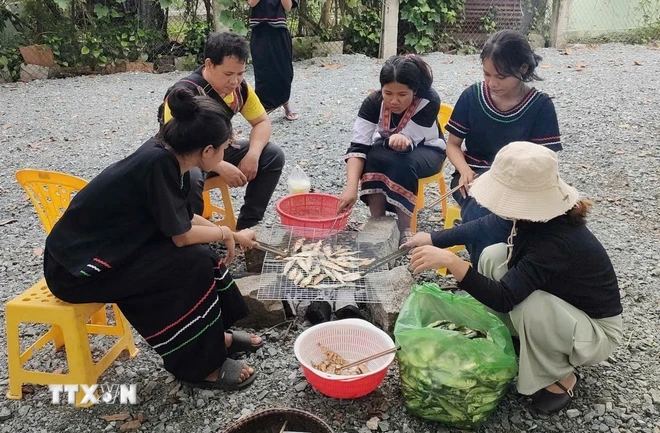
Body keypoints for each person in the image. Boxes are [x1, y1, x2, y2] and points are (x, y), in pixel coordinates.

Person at [45, 88, 265, 390]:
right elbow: (182, 235)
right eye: (225, 147)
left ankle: (214, 339)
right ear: (206, 151)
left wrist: (234, 234)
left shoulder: (172, 155)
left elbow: (183, 217)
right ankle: (201, 367)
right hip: (77, 270)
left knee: (198, 258)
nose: (227, 154)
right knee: (193, 264)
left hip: (112, 247)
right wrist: (226, 232)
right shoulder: (158, 164)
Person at [405, 141, 623, 414]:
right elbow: (487, 225)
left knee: (532, 307)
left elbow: (505, 297)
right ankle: (512, 336)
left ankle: (561, 376)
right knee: (494, 255)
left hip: (594, 331)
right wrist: (434, 238)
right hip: (563, 305)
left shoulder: (556, 240)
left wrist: (453, 263)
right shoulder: (536, 215)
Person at [444, 30, 562, 261]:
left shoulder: (540, 106)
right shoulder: (472, 96)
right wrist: (465, 171)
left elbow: (545, 161)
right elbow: (453, 146)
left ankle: (511, 276)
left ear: (523, 69)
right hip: (473, 176)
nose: (492, 83)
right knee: (480, 212)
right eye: (487, 74)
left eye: (501, 76)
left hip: (521, 182)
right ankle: (486, 277)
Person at [158, 31, 285, 230]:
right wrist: (219, 165)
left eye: (240, 73)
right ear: (209, 64)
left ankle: (248, 226)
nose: (235, 81)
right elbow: (178, 146)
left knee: (272, 155)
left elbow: (262, 122)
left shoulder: (240, 89)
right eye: (228, 74)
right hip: (182, 158)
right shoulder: (184, 93)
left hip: (215, 151)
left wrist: (253, 154)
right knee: (190, 177)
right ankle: (192, 235)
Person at [337, 55, 446, 245]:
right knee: (370, 157)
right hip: (389, 145)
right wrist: (351, 187)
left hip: (428, 148)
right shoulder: (373, 102)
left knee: (403, 162)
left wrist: (400, 138)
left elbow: (408, 142)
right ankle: (377, 221)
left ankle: (406, 229)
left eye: (402, 95)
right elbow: (358, 145)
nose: (394, 101)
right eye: (388, 93)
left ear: (415, 90)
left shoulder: (429, 100)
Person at [248, 0, 299, 120]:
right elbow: (252, 3)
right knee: (263, 69)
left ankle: (285, 102)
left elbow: (287, 7)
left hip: (279, 30)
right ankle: (264, 105)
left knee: (284, 70)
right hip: (260, 30)